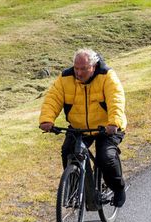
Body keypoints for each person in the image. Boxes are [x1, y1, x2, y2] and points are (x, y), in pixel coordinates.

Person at [39, 48, 128, 207]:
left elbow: (116, 100)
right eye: (76, 68)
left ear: (93, 67)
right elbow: (53, 98)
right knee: (68, 152)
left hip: (106, 127)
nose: (79, 73)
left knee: (105, 158)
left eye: (84, 69)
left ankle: (118, 188)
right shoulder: (66, 78)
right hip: (79, 127)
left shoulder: (106, 76)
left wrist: (114, 123)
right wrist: (47, 120)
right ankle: (74, 191)